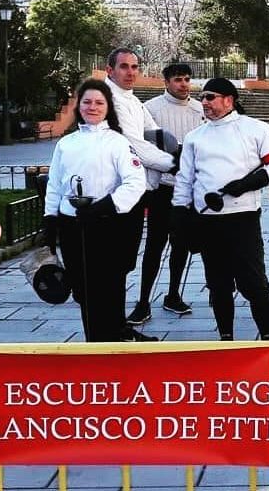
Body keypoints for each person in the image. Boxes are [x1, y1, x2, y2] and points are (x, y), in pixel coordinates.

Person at [171, 78, 269, 341]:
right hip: (208, 221)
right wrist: (179, 218)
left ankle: (267, 338)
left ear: (228, 100)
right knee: (218, 285)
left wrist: (249, 183)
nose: (204, 102)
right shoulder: (194, 138)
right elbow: (184, 180)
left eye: (210, 97)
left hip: (243, 220)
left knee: (254, 284)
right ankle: (225, 339)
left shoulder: (256, 129)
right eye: (202, 98)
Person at [42, 78, 149, 342]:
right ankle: (94, 341)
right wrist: (50, 218)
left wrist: (104, 207)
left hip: (106, 225)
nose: (92, 107)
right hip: (72, 226)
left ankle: (112, 339)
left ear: (107, 107)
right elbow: (55, 183)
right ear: (79, 106)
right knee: (81, 289)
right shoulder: (66, 144)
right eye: (87, 102)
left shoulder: (117, 142)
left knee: (108, 286)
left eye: (99, 102)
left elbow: (136, 182)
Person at [126, 62, 205, 323]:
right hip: (162, 187)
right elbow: (141, 146)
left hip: (189, 189)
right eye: (178, 80)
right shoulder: (150, 110)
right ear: (167, 82)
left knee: (181, 245)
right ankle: (143, 301)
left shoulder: (199, 109)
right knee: (154, 246)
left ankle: (173, 295)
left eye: (187, 79)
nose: (184, 84)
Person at [103, 48, 175, 313]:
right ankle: (112, 325)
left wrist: (180, 152)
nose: (130, 72)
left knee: (124, 262)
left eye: (134, 67)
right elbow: (135, 145)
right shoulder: (110, 99)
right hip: (117, 192)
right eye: (124, 66)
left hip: (137, 191)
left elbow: (155, 133)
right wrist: (175, 165)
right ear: (109, 69)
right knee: (116, 262)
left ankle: (117, 323)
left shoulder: (132, 99)